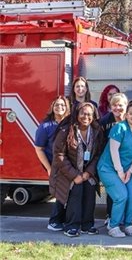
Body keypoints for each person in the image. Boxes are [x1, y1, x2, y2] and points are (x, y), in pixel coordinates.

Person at [50, 102, 104, 237]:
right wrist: (75, 175)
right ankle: (71, 226)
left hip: (88, 173)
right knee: (76, 190)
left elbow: (98, 154)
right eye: (83, 113)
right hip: (68, 173)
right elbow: (59, 155)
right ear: (77, 114)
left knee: (90, 191)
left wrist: (88, 173)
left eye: (89, 114)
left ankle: (87, 225)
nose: (86, 117)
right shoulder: (66, 131)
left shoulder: (97, 131)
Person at [97, 100, 132, 238]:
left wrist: (129, 171)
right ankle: (114, 225)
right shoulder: (119, 128)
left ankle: (128, 224)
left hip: (126, 170)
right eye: (131, 113)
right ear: (126, 115)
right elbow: (114, 151)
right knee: (121, 196)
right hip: (109, 169)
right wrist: (120, 172)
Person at [35, 96, 71, 232]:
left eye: (63, 105)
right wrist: (48, 168)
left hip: (68, 165)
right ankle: (54, 221)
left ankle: (63, 220)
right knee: (61, 192)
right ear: (52, 107)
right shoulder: (45, 126)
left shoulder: (69, 124)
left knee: (67, 192)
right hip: (55, 166)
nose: (60, 107)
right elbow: (39, 149)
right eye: (57, 105)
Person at [98, 92, 128, 224]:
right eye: (114, 105)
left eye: (120, 105)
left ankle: (127, 217)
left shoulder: (131, 119)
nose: (117, 108)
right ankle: (110, 216)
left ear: (126, 106)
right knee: (112, 191)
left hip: (126, 160)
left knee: (128, 191)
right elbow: (99, 141)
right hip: (109, 162)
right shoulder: (105, 121)